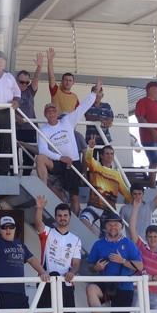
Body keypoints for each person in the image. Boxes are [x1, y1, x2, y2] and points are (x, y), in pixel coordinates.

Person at [36, 78, 101, 214]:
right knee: (40, 158)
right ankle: (43, 188)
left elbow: (82, 108)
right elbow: (42, 150)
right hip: (58, 162)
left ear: (57, 113)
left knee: (74, 197)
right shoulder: (43, 130)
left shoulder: (67, 121)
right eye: (48, 111)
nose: (51, 113)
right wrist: (61, 158)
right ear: (45, 114)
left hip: (73, 163)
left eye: (53, 111)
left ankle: (74, 217)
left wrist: (94, 93)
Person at [85, 214, 142, 313]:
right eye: (110, 224)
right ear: (105, 227)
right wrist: (96, 267)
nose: (113, 227)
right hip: (105, 283)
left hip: (124, 286)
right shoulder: (98, 244)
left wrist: (122, 261)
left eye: (116, 224)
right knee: (91, 289)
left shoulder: (128, 244)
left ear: (121, 226)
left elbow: (140, 266)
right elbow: (89, 265)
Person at [34, 196, 82, 313]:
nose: (62, 218)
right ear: (55, 217)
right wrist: (39, 208)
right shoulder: (48, 232)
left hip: (65, 284)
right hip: (46, 282)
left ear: (70, 217)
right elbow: (38, 223)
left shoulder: (75, 239)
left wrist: (72, 272)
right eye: (59, 215)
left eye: (65, 215)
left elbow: (76, 263)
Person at [80, 137, 132, 235]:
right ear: (101, 156)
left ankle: (100, 239)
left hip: (109, 209)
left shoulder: (117, 174)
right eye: (107, 153)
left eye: (111, 154)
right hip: (94, 205)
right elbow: (88, 160)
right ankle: (96, 239)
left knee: (110, 234)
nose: (110, 156)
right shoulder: (96, 166)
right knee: (83, 219)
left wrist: (134, 201)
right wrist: (90, 148)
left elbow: (126, 192)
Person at [14, 53, 42, 176]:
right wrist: (16, 118)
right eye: (21, 82)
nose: (24, 84)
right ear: (16, 81)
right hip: (15, 128)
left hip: (30, 128)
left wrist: (39, 67)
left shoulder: (30, 91)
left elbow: (35, 80)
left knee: (29, 157)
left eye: (27, 82)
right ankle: (13, 176)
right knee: (12, 154)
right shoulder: (10, 92)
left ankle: (26, 177)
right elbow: (6, 109)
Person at [119, 168, 157, 241]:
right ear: (131, 194)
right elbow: (119, 226)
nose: (137, 196)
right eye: (135, 194)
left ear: (143, 194)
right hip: (131, 243)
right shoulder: (124, 208)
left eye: (139, 194)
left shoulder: (148, 206)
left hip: (146, 243)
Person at [46, 47, 78, 114]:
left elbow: (78, 113)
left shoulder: (75, 97)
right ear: (62, 81)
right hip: (57, 120)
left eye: (70, 80)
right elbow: (51, 77)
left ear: (73, 82)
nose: (68, 82)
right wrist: (50, 60)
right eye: (66, 80)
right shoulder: (55, 91)